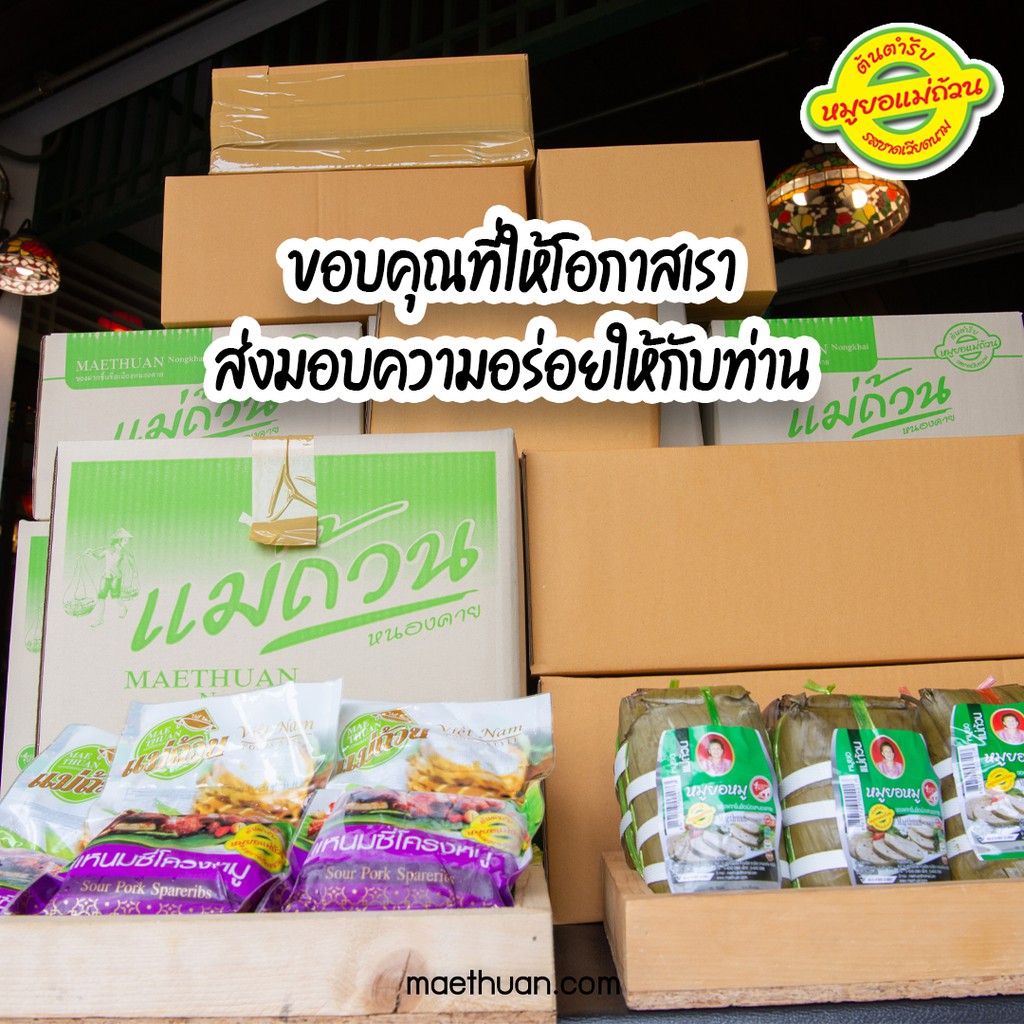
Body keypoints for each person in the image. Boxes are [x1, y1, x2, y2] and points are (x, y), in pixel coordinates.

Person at [87, 528, 132, 627]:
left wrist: (132, 571)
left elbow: (129, 563)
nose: (127, 542)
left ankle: (123, 607)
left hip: (116, 577)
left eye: (127, 540)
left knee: (115, 597)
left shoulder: (123, 552)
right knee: (101, 597)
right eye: (125, 540)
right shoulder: (108, 550)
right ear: (118, 540)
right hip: (106, 576)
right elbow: (97, 558)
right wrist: (90, 553)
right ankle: (100, 619)